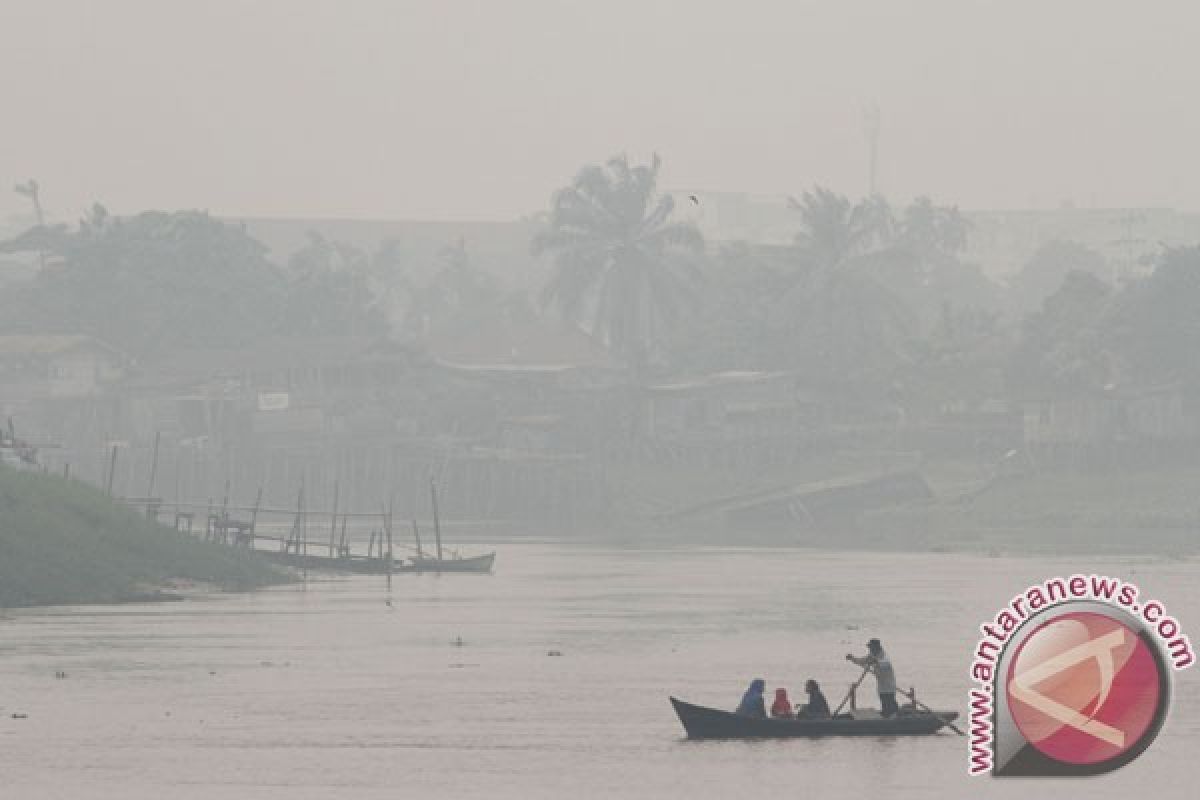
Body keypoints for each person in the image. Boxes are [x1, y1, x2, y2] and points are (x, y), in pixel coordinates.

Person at [846, 638, 898, 717]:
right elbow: (861, 661)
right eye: (869, 647)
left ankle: (894, 718)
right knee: (885, 705)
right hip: (881, 687)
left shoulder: (884, 655)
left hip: (889, 686)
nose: (870, 649)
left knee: (890, 705)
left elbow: (885, 664)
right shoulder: (872, 655)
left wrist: (875, 661)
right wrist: (852, 658)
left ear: (876, 647)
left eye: (871, 647)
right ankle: (889, 717)